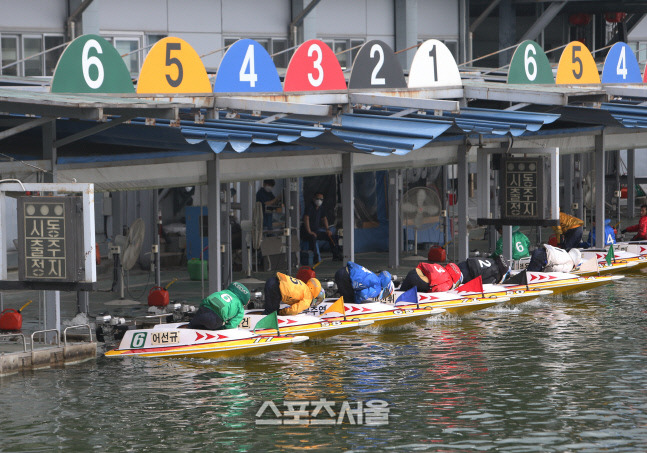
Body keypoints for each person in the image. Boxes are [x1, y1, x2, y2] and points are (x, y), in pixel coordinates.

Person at [301, 192, 342, 262]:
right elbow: (306, 218)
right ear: (314, 199)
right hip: (306, 232)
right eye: (318, 198)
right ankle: (315, 258)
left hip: (316, 231)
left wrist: (327, 229)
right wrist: (309, 231)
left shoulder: (321, 208)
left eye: (321, 199)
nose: (319, 200)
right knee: (313, 238)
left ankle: (336, 255)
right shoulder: (310, 207)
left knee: (330, 236)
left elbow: (324, 218)